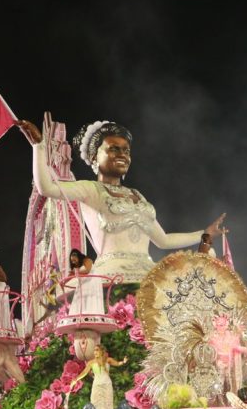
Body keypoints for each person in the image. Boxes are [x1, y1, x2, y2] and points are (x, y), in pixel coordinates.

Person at [18, 114, 226, 284]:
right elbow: (46, 188)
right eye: (114, 149)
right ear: (93, 157)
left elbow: (163, 240)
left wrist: (203, 234)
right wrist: (39, 146)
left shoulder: (137, 195)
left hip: (149, 276)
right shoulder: (90, 189)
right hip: (111, 279)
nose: (123, 155)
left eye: (126, 150)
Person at [72, 344, 127, 409]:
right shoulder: (91, 363)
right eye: (94, 350)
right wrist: (76, 379)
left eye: (97, 350)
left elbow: (117, 363)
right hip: (97, 387)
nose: (95, 352)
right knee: (96, 407)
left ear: (101, 351)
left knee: (107, 407)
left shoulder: (108, 360)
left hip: (106, 386)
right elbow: (84, 372)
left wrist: (123, 361)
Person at [68, 248, 104, 315]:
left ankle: (91, 315)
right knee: (80, 299)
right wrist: (62, 283)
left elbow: (87, 270)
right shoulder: (77, 268)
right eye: (72, 261)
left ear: (79, 257)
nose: (74, 262)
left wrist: (75, 271)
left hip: (91, 281)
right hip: (83, 284)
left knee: (90, 299)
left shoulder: (87, 260)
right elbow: (69, 276)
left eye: (74, 260)